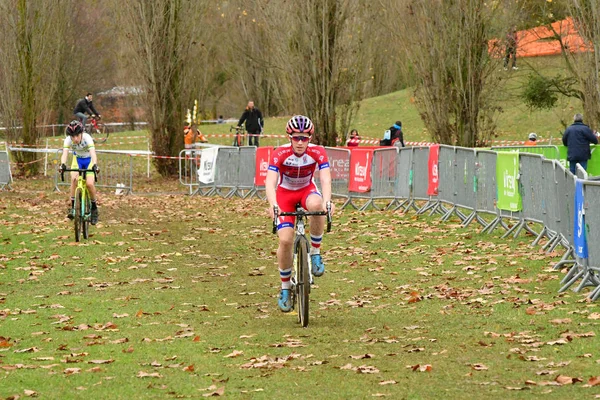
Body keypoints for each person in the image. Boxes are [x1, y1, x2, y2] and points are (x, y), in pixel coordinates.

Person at [266, 115, 334, 312]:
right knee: (286, 240)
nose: (300, 142)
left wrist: (328, 202)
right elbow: (270, 182)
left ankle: (315, 253)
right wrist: (273, 204)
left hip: (306, 190)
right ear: (289, 137)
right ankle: (285, 288)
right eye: (296, 138)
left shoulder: (318, 152)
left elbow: (326, 179)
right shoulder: (280, 153)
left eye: (304, 138)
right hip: (285, 194)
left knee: (317, 204)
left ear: (310, 138)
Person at [59, 120, 99, 225]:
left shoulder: (87, 138)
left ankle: (94, 208)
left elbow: (93, 153)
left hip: (89, 160)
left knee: (89, 184)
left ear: (81, 133)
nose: (75, 139)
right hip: (77, 160)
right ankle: (73, 208)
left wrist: (95, 164)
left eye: (77, 136)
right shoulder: (68, 140)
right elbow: (65, 154)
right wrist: (62, 164)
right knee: (74, 179)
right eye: (72, 136)